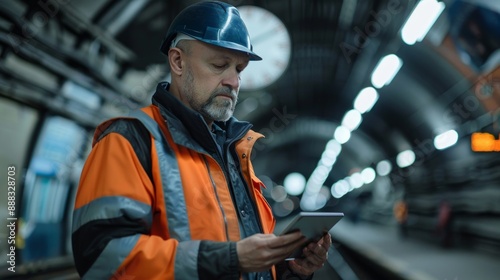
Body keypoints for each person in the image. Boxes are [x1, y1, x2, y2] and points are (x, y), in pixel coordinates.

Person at [71, 1, 331, 279]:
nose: (233, 81)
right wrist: (228, 258)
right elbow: (102, 258)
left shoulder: (234, 152)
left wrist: (289, 268)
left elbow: (246, 263)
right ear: (178, 61)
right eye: (220, 65)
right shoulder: (131, 141)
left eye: (239, 69)